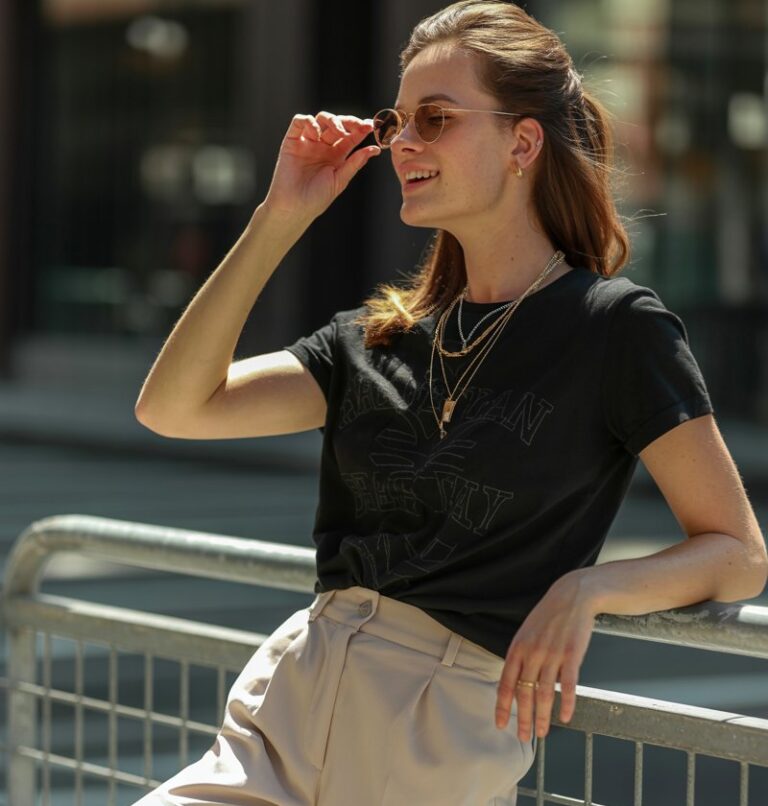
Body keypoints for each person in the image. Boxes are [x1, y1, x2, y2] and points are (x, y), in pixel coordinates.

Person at [131, 1, 768, 804]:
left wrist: (589, 588)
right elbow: (174, 407)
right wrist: (279, 216)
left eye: (435, 118)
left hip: (437, 728)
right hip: (290, 700)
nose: (403, 143)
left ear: (522, 142)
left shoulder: (614, 329)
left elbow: (738, 555)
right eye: (399, 120)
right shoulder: (377, 336)